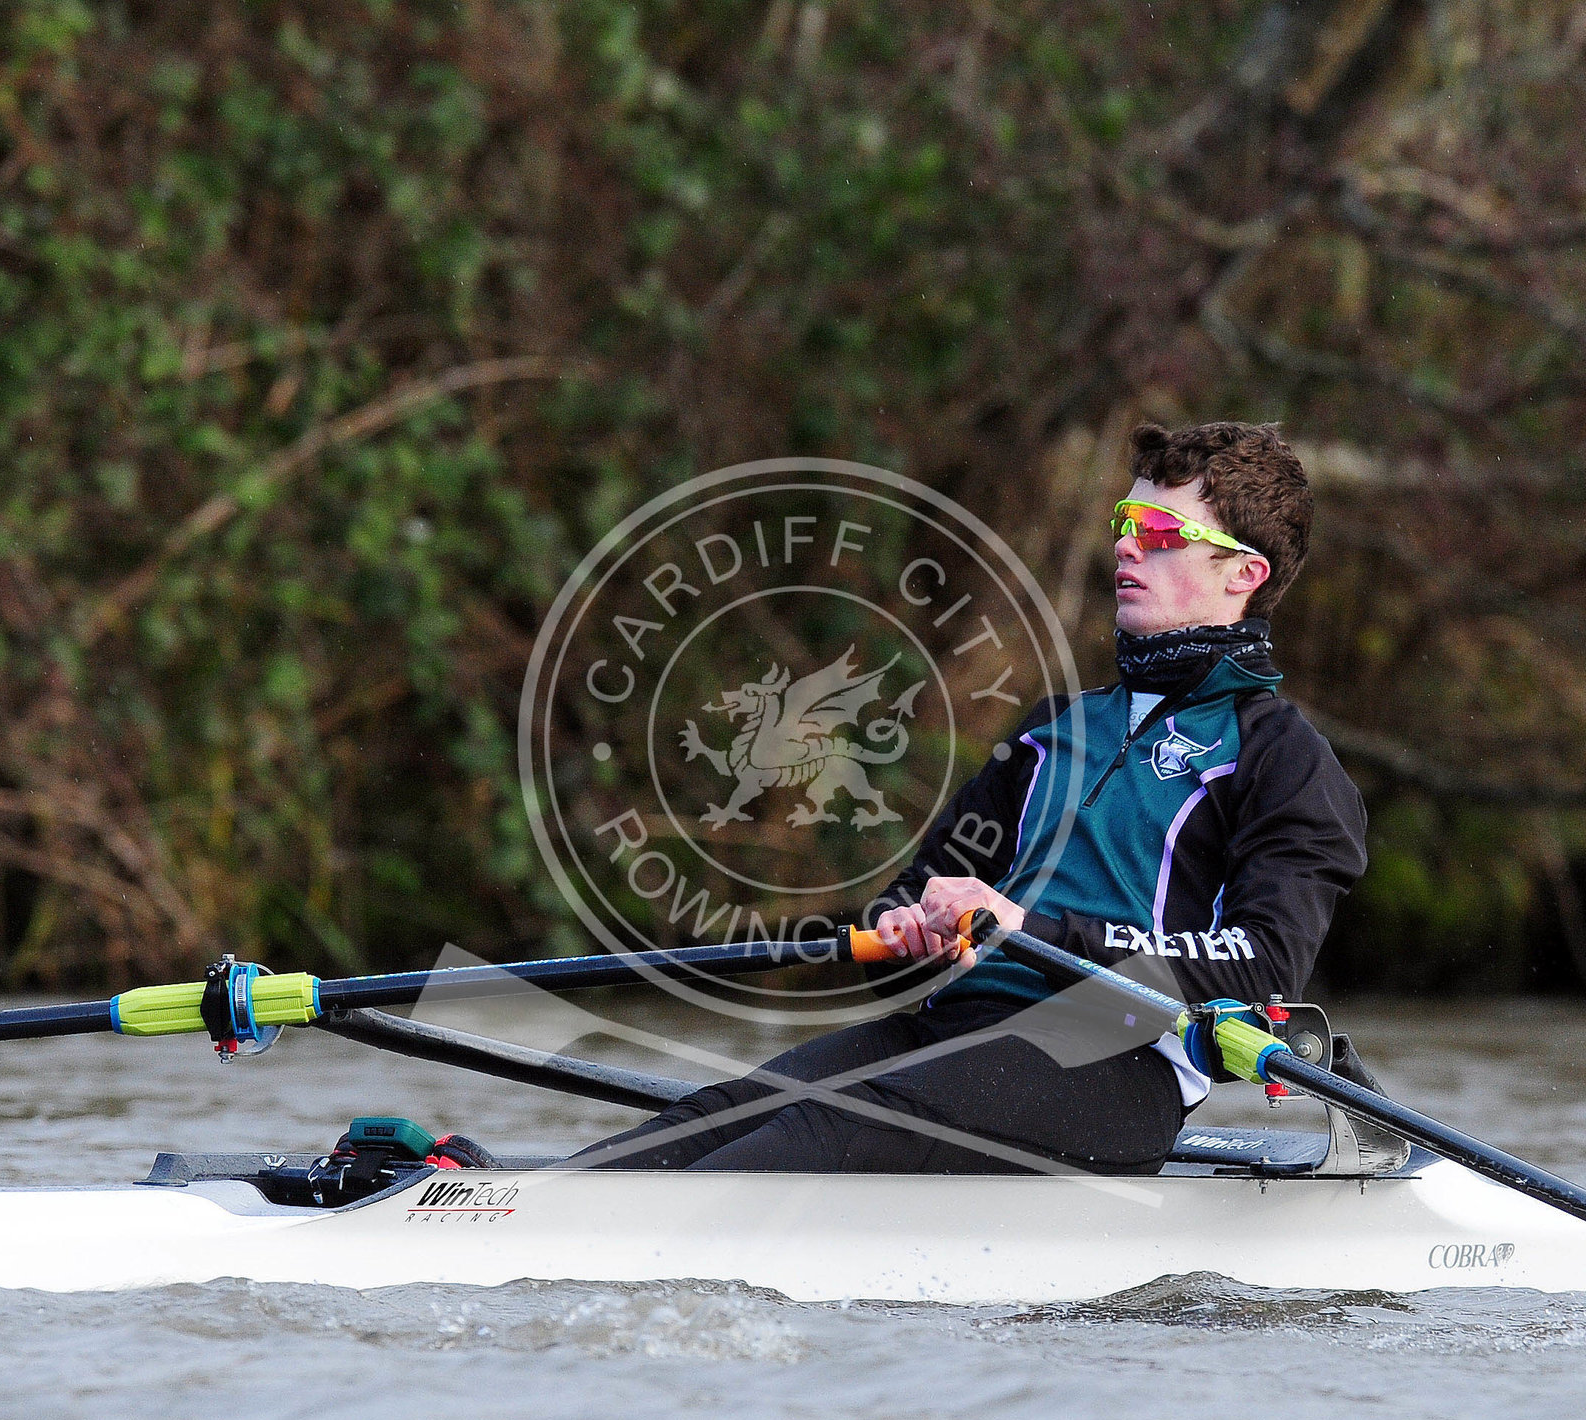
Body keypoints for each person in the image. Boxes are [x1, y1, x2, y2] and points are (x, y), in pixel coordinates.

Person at [575, 421, 1368, 1176]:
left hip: (1113, 1058)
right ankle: (498, 1207)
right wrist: (901, 927)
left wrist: (1030, 928)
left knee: (821, 1125)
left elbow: (1261, 969)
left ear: (1243, 573)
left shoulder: (1286, 765)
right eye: (1128, 518)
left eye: (1162, 533)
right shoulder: (1055, 730)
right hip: (956, 1027)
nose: (1126, 543)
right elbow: (922, 889)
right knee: (718, 1114)